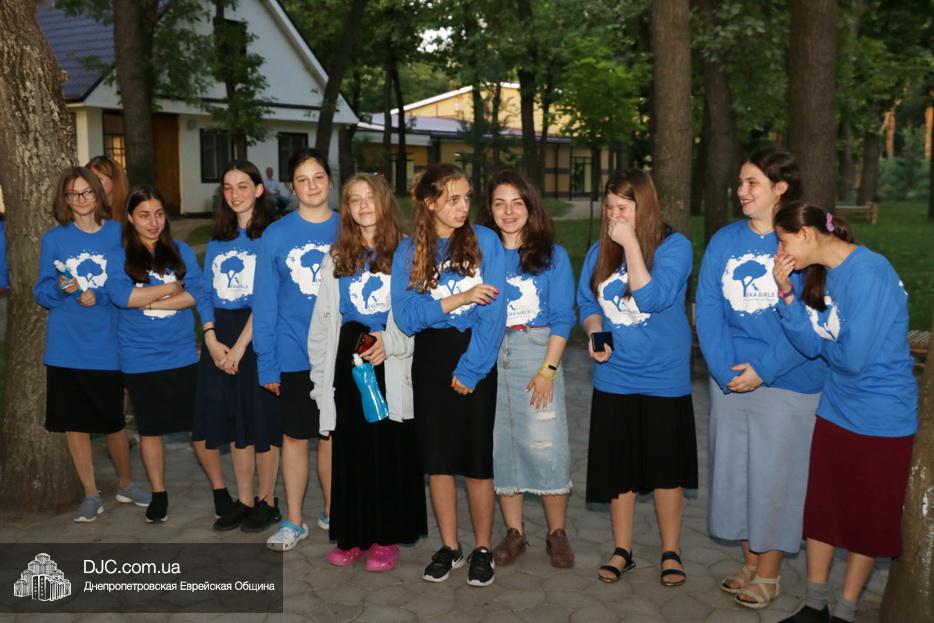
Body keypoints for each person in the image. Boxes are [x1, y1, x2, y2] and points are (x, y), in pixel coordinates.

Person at [695, 147, 826, 609]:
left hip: (787, 380)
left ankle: (769, 574)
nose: (741, 191)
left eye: (752, 182)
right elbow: (708, 306)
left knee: (776, 479)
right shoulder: (724, 241)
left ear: (780, 188)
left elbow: (811, 319)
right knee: (737, 475)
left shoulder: (802, 240)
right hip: (730, 377)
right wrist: (722, 368)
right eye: (740, 182)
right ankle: (750, 562)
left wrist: (763, 371)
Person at [772, 203, 917, 623]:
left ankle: (845, 612)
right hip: (837, 407)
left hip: (881, 417)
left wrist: (824, 346)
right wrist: (786, 295)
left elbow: (852, 359)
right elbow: (809, 343)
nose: (779, 253)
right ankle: (814, 606)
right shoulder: (821, 274)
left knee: (866, 520)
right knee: (824, 509)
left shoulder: (868, 272)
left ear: (806, 234)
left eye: (782, 241)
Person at [576, 169, 697, 587]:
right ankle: (622, 550)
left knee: (666, 470)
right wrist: (595, 330)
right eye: (609, 207)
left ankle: (670, 551)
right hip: (615, 378)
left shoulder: (676, 247)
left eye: (623, 208)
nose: (614, 216)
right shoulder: (599, 252)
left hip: (664, 377)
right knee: (619, 470)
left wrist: (629, 245)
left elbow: (652, 297)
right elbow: (587, 303)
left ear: (644, 207)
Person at [391, 163, 506, 586]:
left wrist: (472, 369)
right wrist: (459, 298)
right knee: (437, 460)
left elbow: (493, 313)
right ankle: (450, 546)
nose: (463, 207)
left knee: (476, 461)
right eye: (453, 199)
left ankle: (482, 548)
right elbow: (406, 317)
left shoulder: (485, 241)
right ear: (429, 202)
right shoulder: (408, 251)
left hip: (475, 357)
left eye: (466, 197)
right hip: (431, 359)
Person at [308, 173, 427, 571]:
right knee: (352, 450)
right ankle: (353, 536)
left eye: (369, 198)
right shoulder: (337, 256)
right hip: (349, 360)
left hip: (389, 358)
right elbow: (322, 322)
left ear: (384, 201)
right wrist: (319, 381)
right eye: (354, 200)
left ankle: (384, 538)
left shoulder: (407, 252)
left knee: (386, 449)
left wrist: (390, 343)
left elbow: (418, 316)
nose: (362, 206)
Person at [33, 167, 149, 522]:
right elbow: (42, 291)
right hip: (66, 346)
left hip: (107, 342)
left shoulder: (118, 233)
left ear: (98, 194)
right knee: (75, 423)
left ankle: (127, 484)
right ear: (65, 199)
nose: (81, 199)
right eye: (73, 194)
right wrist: (60, 289)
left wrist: (99, 296)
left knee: (113, 420)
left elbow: (131, 282)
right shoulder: (55, 239)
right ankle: (89, 493)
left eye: (87, 192)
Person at [475, 170, 576, 569]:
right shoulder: (481, 256)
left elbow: (563, 317)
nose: (508, 211)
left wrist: (548, 369)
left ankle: (557, 533)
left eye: (517, 203)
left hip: (537, 352)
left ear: (531, 207)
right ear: (489, 210)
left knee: (547, 443)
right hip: (491, 354)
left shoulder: (552, 255)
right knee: (502, 444)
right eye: (499, 203)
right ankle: (514, 532)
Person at [254, 148, 340, 552]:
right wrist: (267, 363)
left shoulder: (349, 227)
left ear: (330, 180)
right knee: (294, 437)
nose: (312, 186)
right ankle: (293, 520)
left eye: (318, 177)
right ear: (292, 187)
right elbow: (265, 303)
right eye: (303, 180)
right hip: (293, 352)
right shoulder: (276, 235)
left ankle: (334, 512)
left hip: (339, 352)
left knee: (331, 435)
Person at [192, 160, 281, 531]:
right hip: (221, 333)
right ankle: (244, 501)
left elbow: (268, 296)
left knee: (261, 421)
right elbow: (204, 291)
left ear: (259, 189)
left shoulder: (271, 236)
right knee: (234, 420)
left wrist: (241, 346)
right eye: (227, 187)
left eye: (243, 186)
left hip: (257, 332)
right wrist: (211, 337)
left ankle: (267, 501)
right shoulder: (219, 238)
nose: (235, 194)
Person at [106, 185, 203, 523]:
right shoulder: (119, 256)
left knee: (198, 426)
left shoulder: (181, 251)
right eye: (144, 215)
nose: (153, 222)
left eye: (159, 214)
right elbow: (123, 298)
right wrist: (170, 288)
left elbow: (196, 295)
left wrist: (148, 300)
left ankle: (221, 492)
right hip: (139, 357)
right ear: (131, 218)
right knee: (150, 429)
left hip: (181, 353)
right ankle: (159, 494)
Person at [87, 155, 128, 223]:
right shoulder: (88, 210)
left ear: (114, 180)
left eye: (98, 179)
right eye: (89, 179)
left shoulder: (130, 211)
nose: (91, 184)